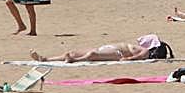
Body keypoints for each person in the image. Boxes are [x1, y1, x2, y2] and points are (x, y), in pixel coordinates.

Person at [30, 34, 168, 63]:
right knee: (70, 52)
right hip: (111, 48)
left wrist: (127, 58)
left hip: (117, 53)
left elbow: (135, 58)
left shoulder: (144, 51)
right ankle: (45, 59)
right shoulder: (139, 47)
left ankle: (74, 60)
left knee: (92, 54)